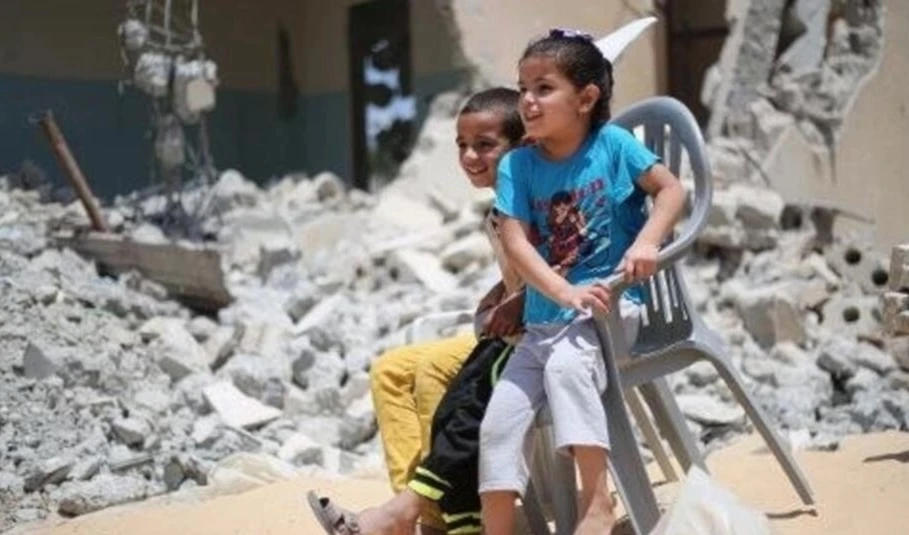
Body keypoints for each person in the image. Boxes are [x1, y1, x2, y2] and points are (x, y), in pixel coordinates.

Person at [478, 28, 686, 535]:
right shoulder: (517, 166)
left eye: (543, 88)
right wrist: (559, 292)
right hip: (544, 323)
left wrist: (646, 243)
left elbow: (672, 190)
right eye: (523, 88)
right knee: (497, 423)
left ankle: (597, 502)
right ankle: (496, 527)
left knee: (570, 368)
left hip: (609, 312)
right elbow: (517, 241)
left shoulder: (612, 146)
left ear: (587, 98)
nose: (526, 100)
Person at [308, 86, 527, 535]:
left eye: (485, 146)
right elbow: (525, 269)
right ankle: (414, 513)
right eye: (462, 146)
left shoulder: (531, 196)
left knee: (432, 371)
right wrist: (499, 288)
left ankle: (428, 518)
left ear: (520, 144)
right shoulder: (498, 204)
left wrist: (518, 296)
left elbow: (559, 264)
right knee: (390, 369)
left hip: (532, 335)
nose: (469, 157)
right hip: (507, 328)